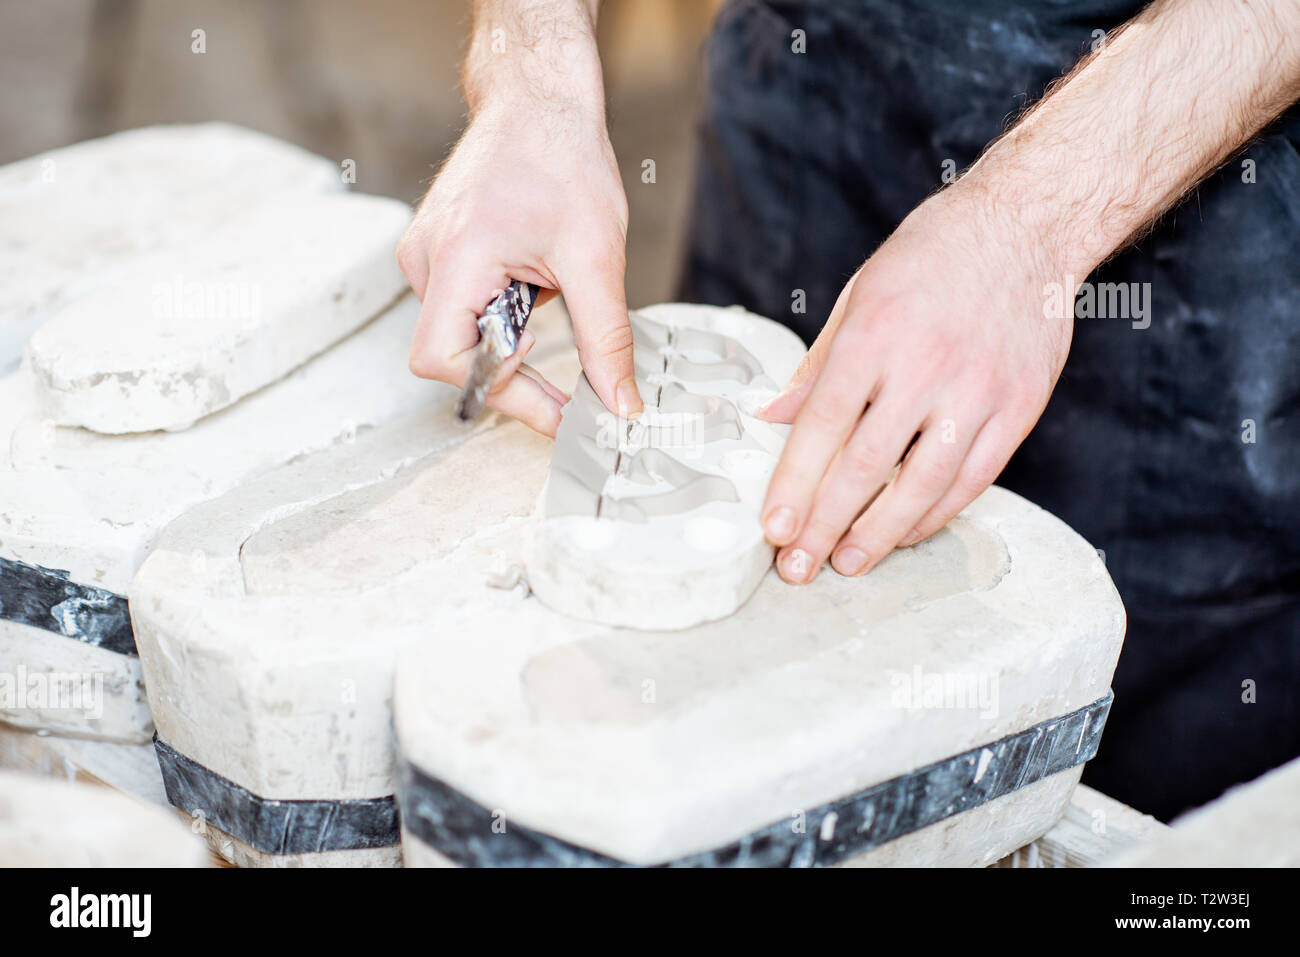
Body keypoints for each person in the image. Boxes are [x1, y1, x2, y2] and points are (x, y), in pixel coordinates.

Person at [396, 0, 1300, 821]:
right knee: (710, 724)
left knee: (1097, 779)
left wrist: (1029, 225)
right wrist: (533, 71)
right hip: (808, 78)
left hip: (1189, 156)